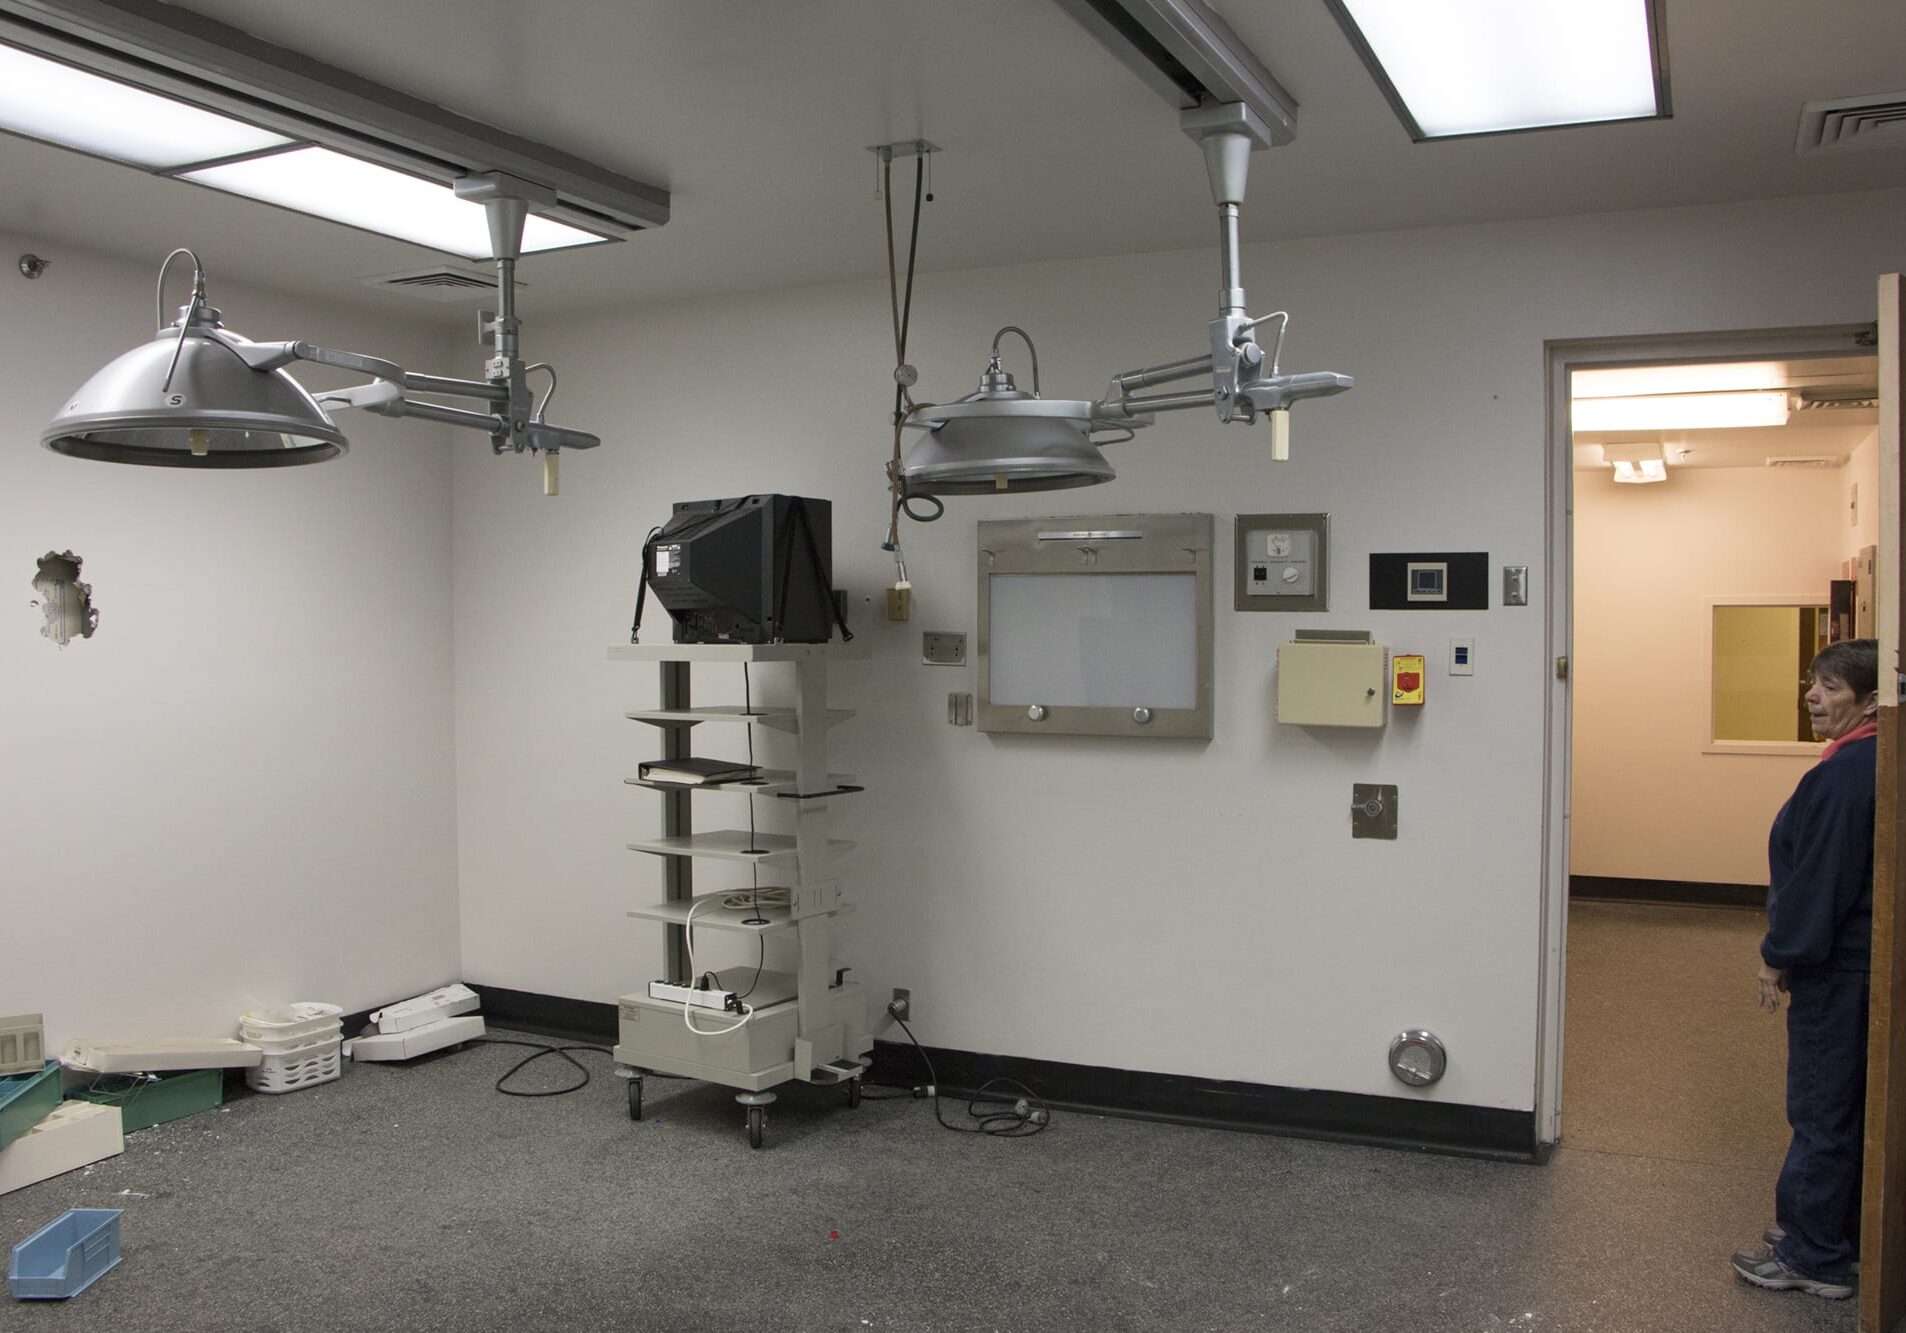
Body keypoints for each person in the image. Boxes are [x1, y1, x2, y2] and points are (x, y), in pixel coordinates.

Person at [1732, 637, 1880, 1301]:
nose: (1812, 697)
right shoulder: (1866, 761)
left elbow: (1819, 881)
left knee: (1820, 1106)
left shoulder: (1845, 776)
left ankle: (1813, 1255)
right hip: (1851, 962)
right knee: (1839, 1104)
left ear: (1872, 699)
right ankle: (1829, 1236)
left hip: (1833, 967)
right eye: (1812, 682)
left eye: (1830, 687)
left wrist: (1778, 957)